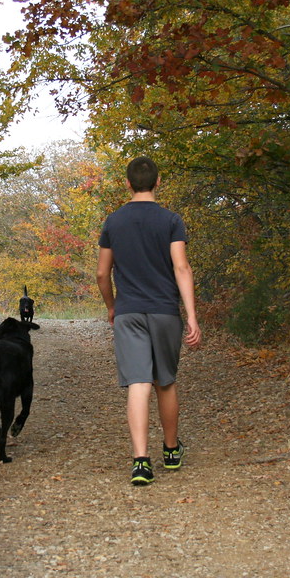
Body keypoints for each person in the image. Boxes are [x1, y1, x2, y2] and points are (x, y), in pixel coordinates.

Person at [96, 156, 202, 486]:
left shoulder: (113, 222)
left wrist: (113, 306)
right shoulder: (171, 220)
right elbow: (181, 268)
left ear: (127, 183)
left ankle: (141, 462)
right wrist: (192, 316)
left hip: (129, 311)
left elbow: (102, 273)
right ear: (158, 182)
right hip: (164, 311)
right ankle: (171, 451)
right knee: (165, 382)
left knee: (138, 384)